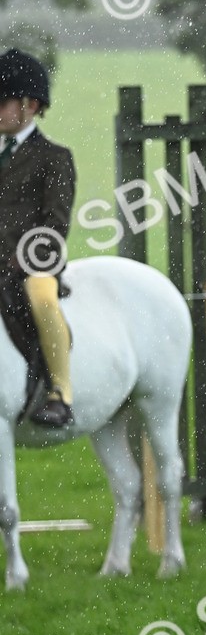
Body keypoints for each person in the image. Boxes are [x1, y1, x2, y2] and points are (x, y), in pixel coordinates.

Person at [0, 48, 75, 427]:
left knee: (41, 297)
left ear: (29, 105)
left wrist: (22, 257)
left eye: (2, 101)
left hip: (33, 262)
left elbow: (55, 223)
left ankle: (60, 392)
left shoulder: (53, 158)